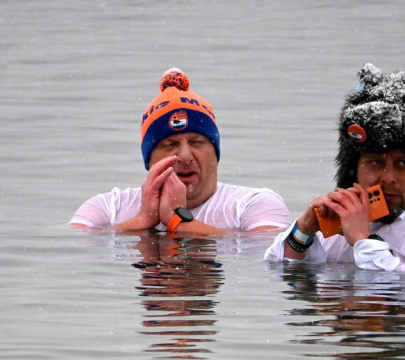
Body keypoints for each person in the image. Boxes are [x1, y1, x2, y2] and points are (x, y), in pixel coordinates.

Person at [264, 63, 405, 271]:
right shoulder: (340, 216)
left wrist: (363, 240)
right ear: (354, 167)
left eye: (403, 163)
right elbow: (282, 277)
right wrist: (302, 233)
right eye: (376, 162)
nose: (388, 178)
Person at [71, 68, 291, 235]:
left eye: (197, 142)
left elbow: (270, 249)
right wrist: (142, 220)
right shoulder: (110, 207)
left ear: (216, 154)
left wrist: (178, 221)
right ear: (149, 160)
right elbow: (69, 243)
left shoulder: (251, 203)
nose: (185, 156)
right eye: (170, 145)